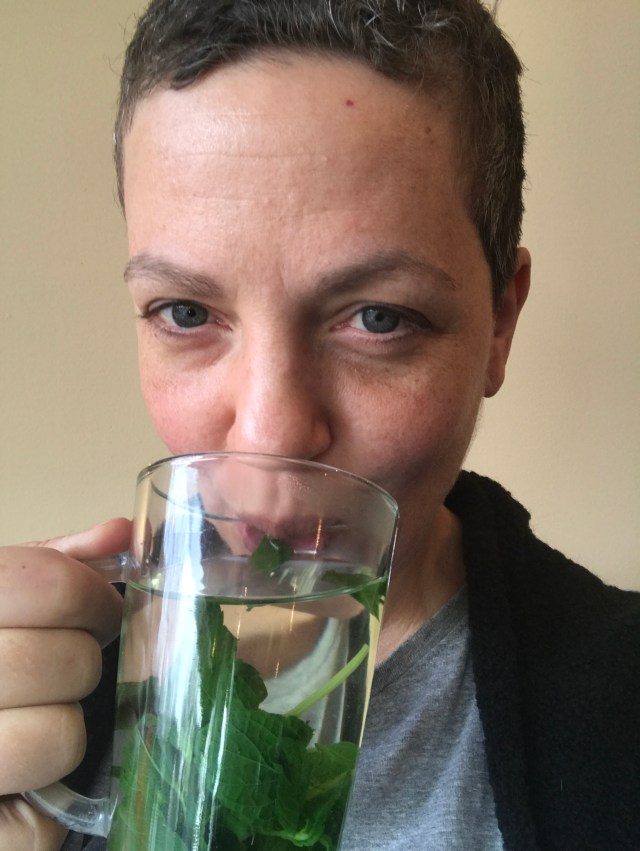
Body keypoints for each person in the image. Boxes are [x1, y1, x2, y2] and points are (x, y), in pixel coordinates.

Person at [0, 1, 638, 849]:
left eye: (379, 318)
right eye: (185, 311)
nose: (269, 438)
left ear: (500, 324)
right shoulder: (44, 718)